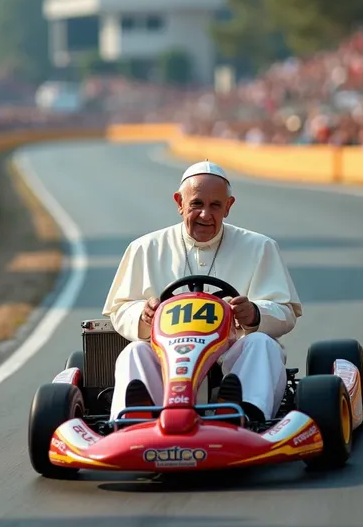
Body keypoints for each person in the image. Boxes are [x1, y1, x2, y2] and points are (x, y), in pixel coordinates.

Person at [102, 161, 302, 424]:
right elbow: (120, 309)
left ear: (228, 207)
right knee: (134, 352)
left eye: (215, 205)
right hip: (169, 361)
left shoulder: (260, 247)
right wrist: (143, 313)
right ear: (179, 202)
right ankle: (134, 421)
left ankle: (241, 415)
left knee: (261, 343)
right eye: (197, 204)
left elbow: (285, 311)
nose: (206, 215)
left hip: (233, 356)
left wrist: (254, 313)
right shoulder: (144, 248)